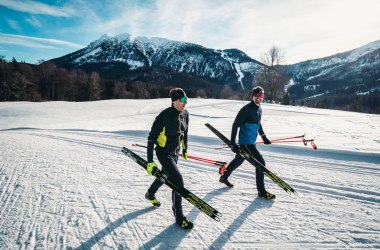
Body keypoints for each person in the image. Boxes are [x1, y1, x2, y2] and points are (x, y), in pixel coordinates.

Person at [145, 88, 194, 229]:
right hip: (164, 153)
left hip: (175, 152)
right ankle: (179, 216)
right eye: (183, 100)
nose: (185, 102)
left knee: (165, 175)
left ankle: (150, 193)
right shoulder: (163, 116)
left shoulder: (185, 114)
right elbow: (151, 139)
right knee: (177, 180)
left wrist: (185, 148)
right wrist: (150, 161)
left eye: (186, 99)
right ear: (174, 101)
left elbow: (185, 132)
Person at [219, 86, 276, 200]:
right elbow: (235, 125)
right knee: (260, 163)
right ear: (252, 96)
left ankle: (224, 177)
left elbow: (258, 124)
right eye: (257, 96)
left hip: (251, 142)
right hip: (246, 143)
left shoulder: (259, 109)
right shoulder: (246, 109)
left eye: (261, 96)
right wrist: (232, 143)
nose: (259, 98)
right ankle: (262, 191)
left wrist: (264, 137)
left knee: (239, 160)